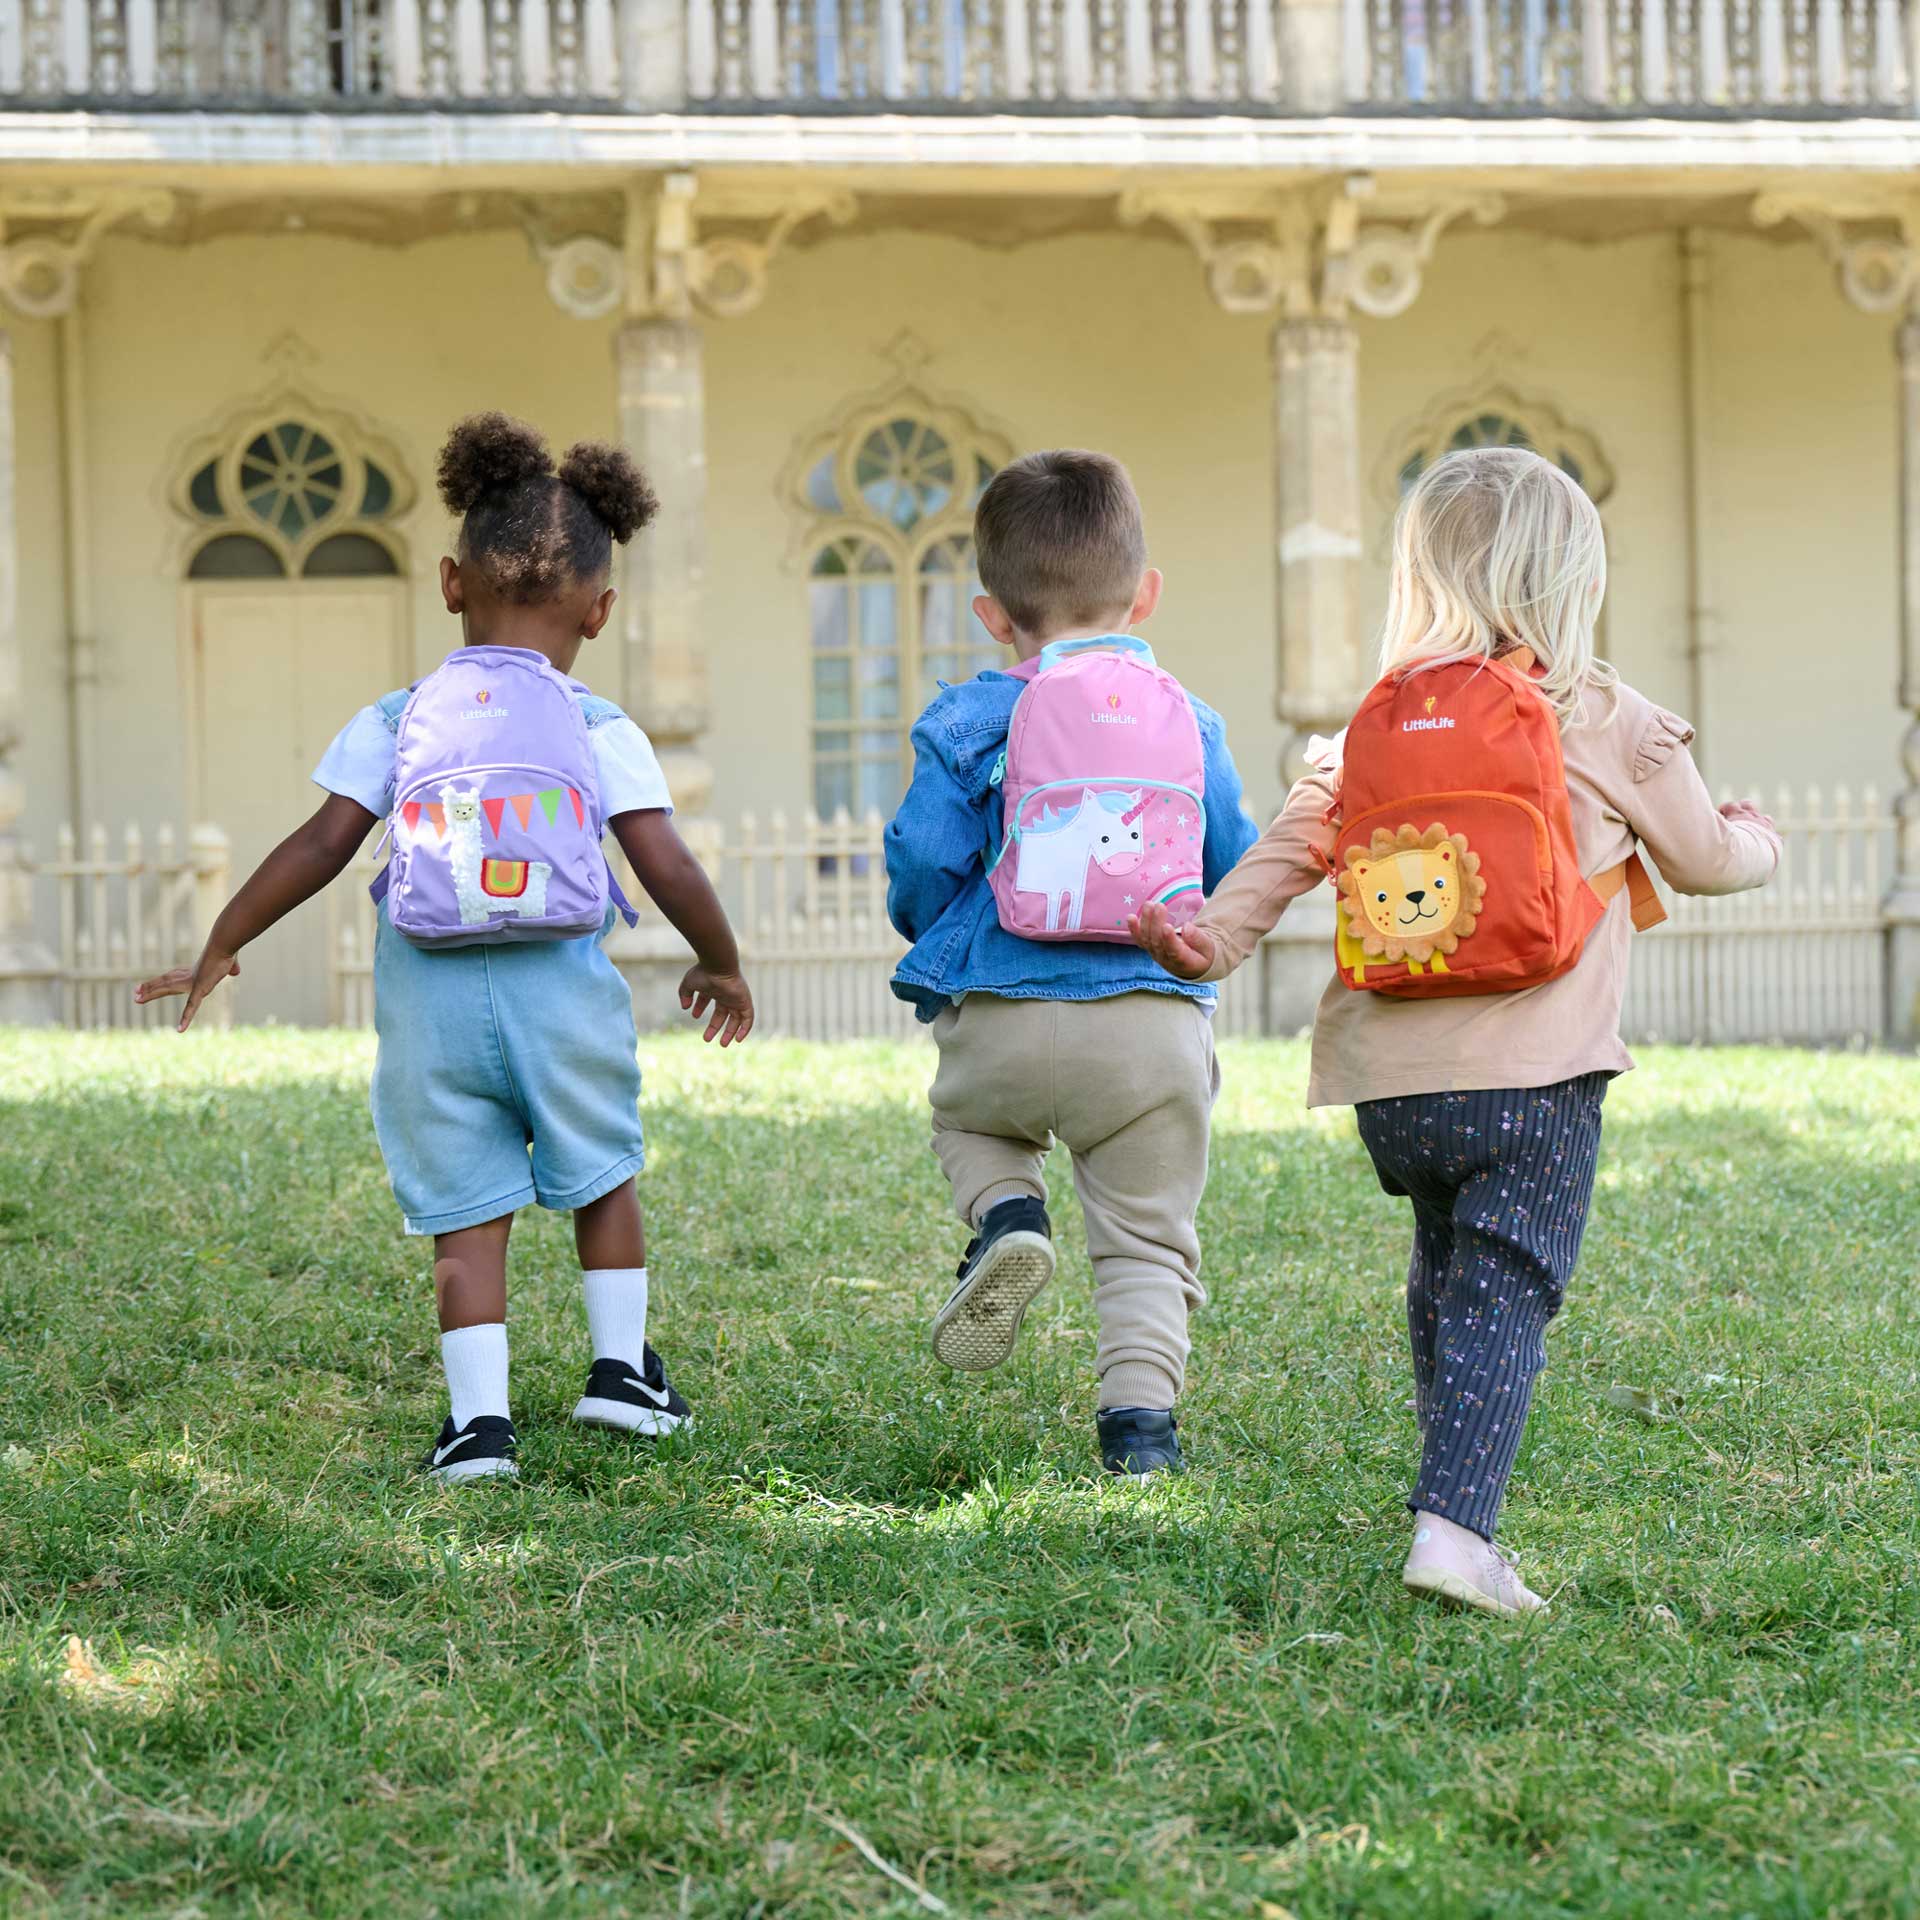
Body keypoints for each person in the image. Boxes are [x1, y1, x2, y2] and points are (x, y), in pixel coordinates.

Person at [1133, 446, 1779, 1607]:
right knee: (1505, 1289)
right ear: (1573, 577)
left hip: (1394, 1083)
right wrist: (1758, 839)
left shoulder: (1377, 729)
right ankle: (1453, 1535)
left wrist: (1209, 942)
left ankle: (1458, 1511)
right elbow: (1704, 859)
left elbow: (1289, 849)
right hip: (1537, 1080)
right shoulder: (1602, 715)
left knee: (1446, 1279)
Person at [136, 413, 753, 1484]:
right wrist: (720, 958)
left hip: (427, 1003)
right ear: (600, 612)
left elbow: (323, 842)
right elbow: (665, 862)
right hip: (561, 990)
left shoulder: (399, 714)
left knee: (466, 1217)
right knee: (602, 1176)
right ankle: (622, 1376)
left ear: (449, 582)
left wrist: (222, 942)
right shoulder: (599, 725)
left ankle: (479, 1430)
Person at [884, 449, 1259, 1475]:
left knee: (968, 1122)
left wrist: (929, 931)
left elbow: (922, 855)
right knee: (1145, 1240)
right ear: (1145, 595)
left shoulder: (968, 718)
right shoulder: (1191, 719)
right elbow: (1231, 856)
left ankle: (1007, 1211)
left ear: (991, 615)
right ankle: (1139, 1435)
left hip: (998, 1013)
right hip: (1149, 1024)